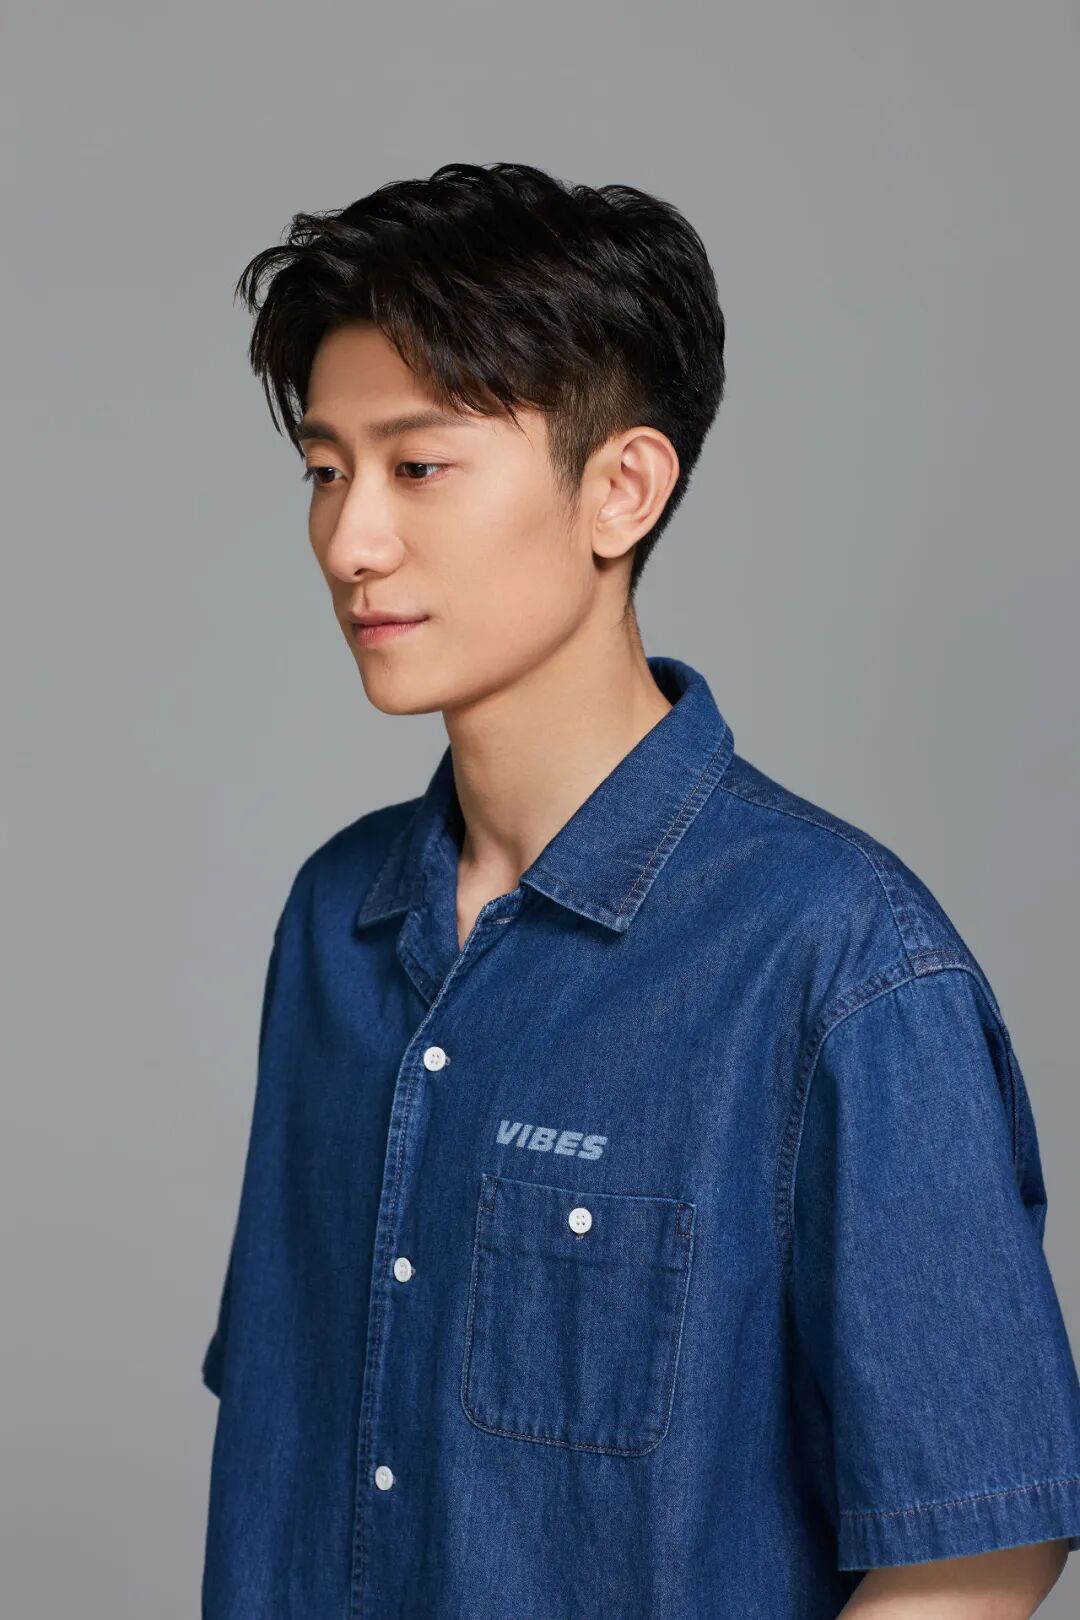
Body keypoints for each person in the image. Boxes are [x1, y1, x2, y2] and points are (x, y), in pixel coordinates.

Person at [199, 161, 1080, 1619]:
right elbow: (293, 1441)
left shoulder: (839, 961)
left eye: (418, 467)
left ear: (622, 488)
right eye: (325, 469)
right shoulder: (335, 923)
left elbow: (977, 1542)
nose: (350, 541)